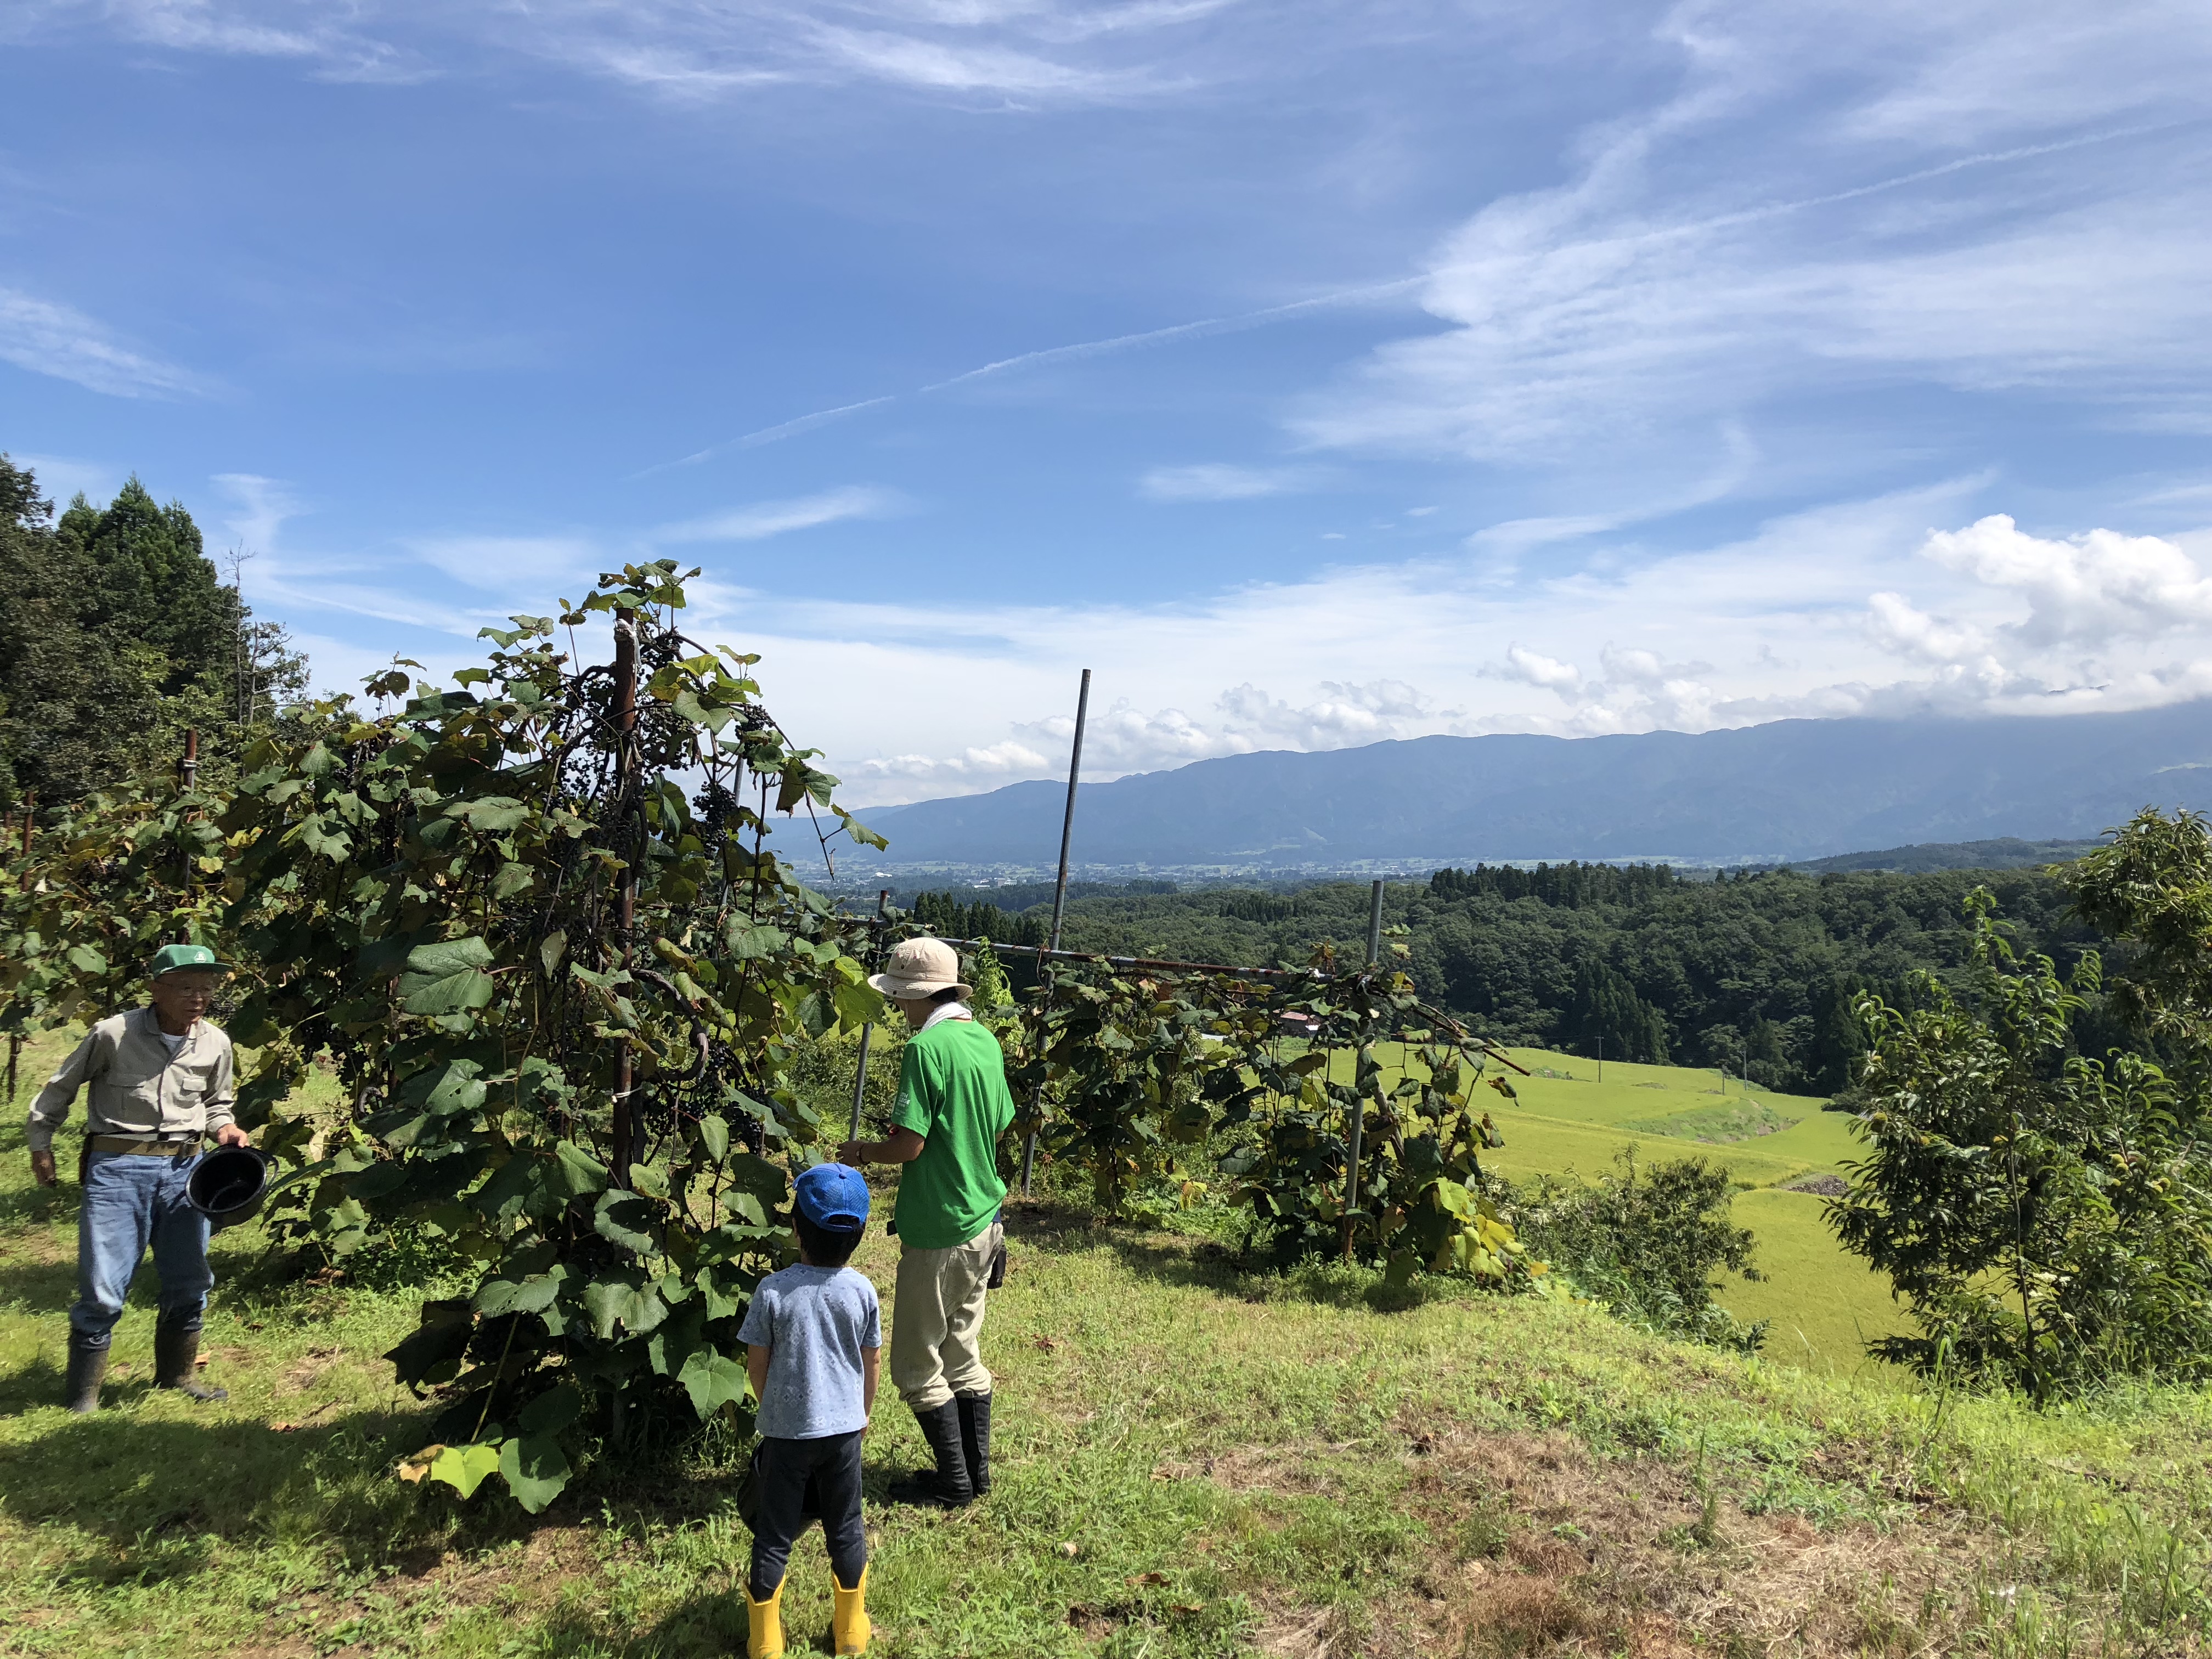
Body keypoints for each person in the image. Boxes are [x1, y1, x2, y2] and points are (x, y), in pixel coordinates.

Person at [26, 943, 253, 1413]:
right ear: (156, 989)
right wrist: (41, 1143)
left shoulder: (215, 1042)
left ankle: (177, 1376)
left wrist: (226, 1129)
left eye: (206, 988)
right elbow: (61, 1087)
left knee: (190, 1279)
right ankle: (83, 1397)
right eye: (185, 988)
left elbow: (217, 1104)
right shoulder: (114, 1034)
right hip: (118, 1170)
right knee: (103, 1287)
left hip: (186, 1173)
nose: (198, 998)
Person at [838, 936, 1012, 1509]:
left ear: (916, 995)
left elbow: (909, 1146)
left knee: (916, 1366)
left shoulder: (925, 1048)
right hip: (984, 1219)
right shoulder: (984, 1039)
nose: (898, 1007)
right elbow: (999, 1121)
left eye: (899, 997)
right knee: (961, 1352)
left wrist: (862, 1152)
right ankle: (976, 1475)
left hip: (940, 1226)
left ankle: (954, 1483)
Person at [737, 1161, 882, 1658]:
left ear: (796, 1228)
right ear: (859, 1234)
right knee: (846, 1528)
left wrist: (773, 1407)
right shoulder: (862, 1291)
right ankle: (851, 1631)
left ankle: (765, 1642)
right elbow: (871, 1360)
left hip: (786, 1434)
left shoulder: (772, 1291)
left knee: (773, 1534)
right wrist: (862, 1415)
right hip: (844, 1433)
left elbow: (757, 1362)